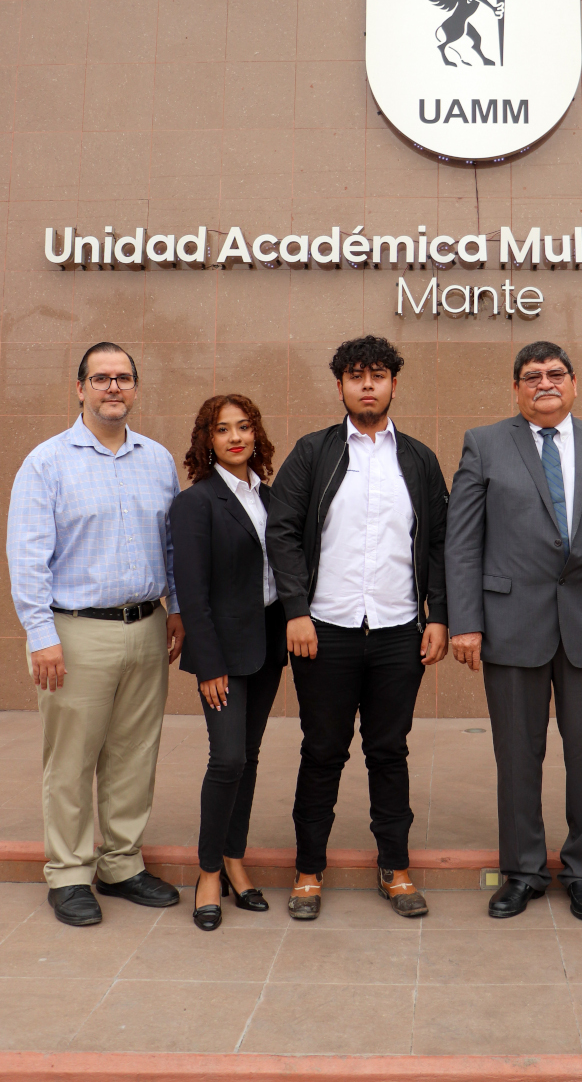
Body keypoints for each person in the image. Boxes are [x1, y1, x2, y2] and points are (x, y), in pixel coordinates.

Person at [445, 340, 582, 922]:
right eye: (532, 375)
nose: (545, 383)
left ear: (574, 383)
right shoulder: (484, 443)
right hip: (511, 625)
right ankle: (524, 872)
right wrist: (466, 622)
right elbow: (462, 542)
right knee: (517, 756)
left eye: (556, 373)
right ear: (516, 388)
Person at [266, 335, 449, 920]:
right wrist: (297, 610)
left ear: (394, 383)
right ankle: (308, 871)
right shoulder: (312, 452)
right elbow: (282, 532)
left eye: (377, 375)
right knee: (322, 752)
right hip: (325, 631)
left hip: (399, 631)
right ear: (340, 385)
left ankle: (395, 867)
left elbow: (440, 543)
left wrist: (439, 615)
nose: (367, 385)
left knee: (388, 752)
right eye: (355, 376)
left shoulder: (418, 459)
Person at [6, 342, 185, 926]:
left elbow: (172, 546)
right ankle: (68, 873)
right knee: (72, 759)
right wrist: (41, 635)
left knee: (134, 753)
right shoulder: (47, 462)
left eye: (124, 377)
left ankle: (122, 864)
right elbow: (26, 557)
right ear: (79, 388)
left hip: (147, 626)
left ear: (135, 388)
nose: (113, 387)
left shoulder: (157, 459)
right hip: (76, 632)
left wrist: (177, 609)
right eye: (101, 378)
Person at [169, 395, 288, 932]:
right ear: (207, 439)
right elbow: (192, 593)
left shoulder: (269, 495)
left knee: (250, 757)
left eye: (243, 427)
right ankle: (209, 872)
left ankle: (236, 860)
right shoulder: (196, 503)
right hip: (222, 652)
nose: (235, 437)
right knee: (228, 758)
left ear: (255, 434)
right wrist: (209, 665)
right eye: (223, 429)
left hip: (266, 645)